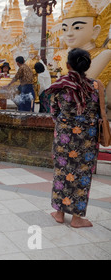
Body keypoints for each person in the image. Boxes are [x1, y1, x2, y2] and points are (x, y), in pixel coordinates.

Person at [46, 48, 100, 228]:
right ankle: (77, 218)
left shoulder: (61, 86)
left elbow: (54, 111)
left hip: (64, 138)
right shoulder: (94, 87)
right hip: (86, 139)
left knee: (62, 173)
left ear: (68, 65)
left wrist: (66, 126)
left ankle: (60, 213)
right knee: (82, 174)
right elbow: (98, 113)